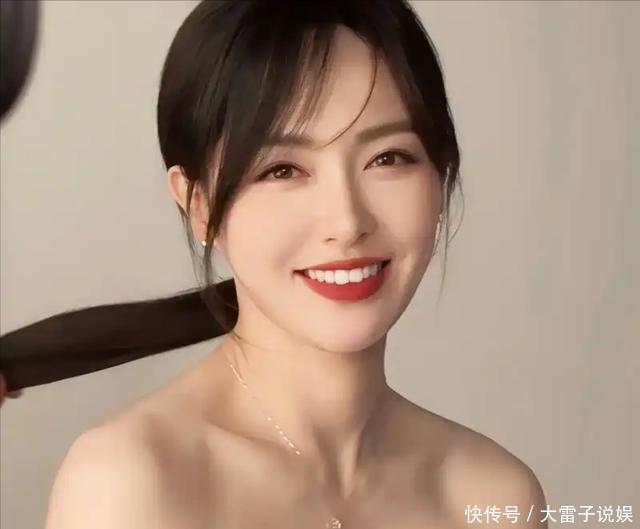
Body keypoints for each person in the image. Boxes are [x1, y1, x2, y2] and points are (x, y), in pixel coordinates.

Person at [39, 1, 550, 528]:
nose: (347, 222)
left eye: (388, 158)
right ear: (199, 205)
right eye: (282, 169)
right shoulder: (131, 483)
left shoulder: (495, 497)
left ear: (439, 181)